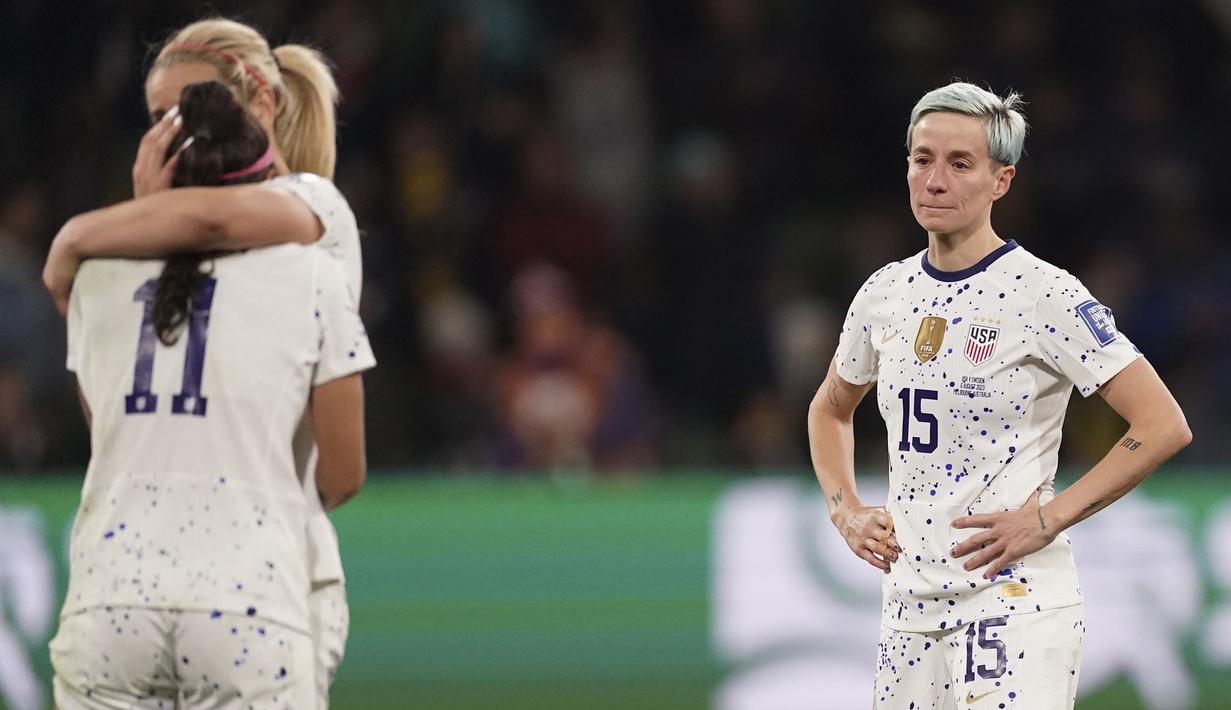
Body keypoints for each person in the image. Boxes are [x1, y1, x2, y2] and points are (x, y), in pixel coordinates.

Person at [806, 82, 1191, 710]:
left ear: (1001, 181)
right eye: (922, 159)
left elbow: (1162, 423)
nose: (935, 181)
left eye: (960, 164)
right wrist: (844, 509)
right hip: (908, 610)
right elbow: (830, 408)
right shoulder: (884, 293)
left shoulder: (1044, 294)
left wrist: (1048, 517)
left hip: (1013, 602)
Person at [42, 17, 359, 708]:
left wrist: (74, 240)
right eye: (159, 118)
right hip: (244, 596)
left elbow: (212, 222)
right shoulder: (124, 259)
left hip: (245, 569)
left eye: (190, 110)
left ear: (261, 101)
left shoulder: (316, 208)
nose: (176, 134)